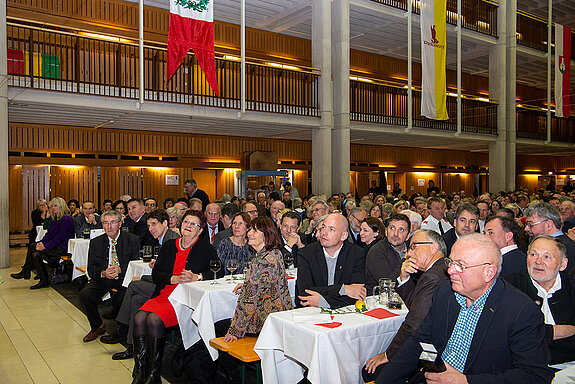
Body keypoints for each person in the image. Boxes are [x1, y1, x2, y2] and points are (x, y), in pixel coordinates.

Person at [375, 234, 554, 384]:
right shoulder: (445, 293)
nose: (450, 270)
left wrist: (466, 381)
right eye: (451, 262)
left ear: (488, 273)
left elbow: (535, 375)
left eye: (460, 265)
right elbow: (417, 342)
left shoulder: (520, 311)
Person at [131, 210, 223, 384]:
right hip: (164, 293)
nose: (188, 226)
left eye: (193, 224)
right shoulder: (169, 245)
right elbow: (157, 274)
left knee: (153, 320)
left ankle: (154, 373)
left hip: (184, 299)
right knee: (139, 317)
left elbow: (219, 270)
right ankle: (140, 369)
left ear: (200, 230)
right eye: (186, 222)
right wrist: (172, 278)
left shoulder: (204, 247)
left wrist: (198, 276)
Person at [363, 229, 449, 382]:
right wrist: (404, 278)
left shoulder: (433, 276)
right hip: (433, 344)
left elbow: (413, 325)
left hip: (429, 351)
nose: (409, 253)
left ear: (434, 247)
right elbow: (416, 306)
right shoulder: (440, 269)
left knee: (370, 371)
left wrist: (388, 354)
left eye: (414, 246)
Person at [100, 209, 180, 360]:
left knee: (133, 285)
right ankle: (134, 346)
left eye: (154, 225)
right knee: (137, 299)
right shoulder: (163, 240)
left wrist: (143, 277)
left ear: (165, 224)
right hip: (163, 283)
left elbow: (167, 276)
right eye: (149, 225)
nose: (150, 229)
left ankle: (121, 326)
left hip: (170, 289)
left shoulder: (171, 240)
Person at [505, 235, 575, 365]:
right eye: (533, 255)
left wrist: (537, 333)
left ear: (563, 264)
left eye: (546, 257)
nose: (538, 261)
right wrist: (554, 332)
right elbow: (511, 333)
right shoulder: (510, 286)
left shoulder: (571, 287)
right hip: (524, 366)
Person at [222, 216, 293, 341]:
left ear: (266, 235)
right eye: (250, 230)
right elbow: (267, 284)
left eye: (255, 231)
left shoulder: (261, 260)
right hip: (281, 318)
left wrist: (235, 331)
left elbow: (248, 301)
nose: (249, 233)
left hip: (265, 324)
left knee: (218, 328)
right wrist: (248, 285)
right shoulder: (275, 253)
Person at [78, 210, 140, 342]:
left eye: (112, 222)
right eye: (105, 223)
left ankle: (122, 331)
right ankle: (97, 326)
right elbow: (91, 268)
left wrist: (120, 269)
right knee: (85, 295)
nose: (109, 226)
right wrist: (103, 273)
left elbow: (136, 263)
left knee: (122, 298)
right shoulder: (96, 242)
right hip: (104, 278)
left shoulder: (132, 240)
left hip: (123, 278)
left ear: (120, 223)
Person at [296, 213, 366, 309]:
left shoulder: (356, 254)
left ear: (343, 236)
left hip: (345, 313)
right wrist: (343, 289)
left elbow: (357, 294)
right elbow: (305, 292)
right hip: (311, 312)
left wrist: (323, 302)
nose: (324, 233)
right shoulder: (306, 254)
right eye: (323, 228)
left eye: (331, 229)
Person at [15, 197, 75, 287]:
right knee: (35, 252)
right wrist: (41, 243)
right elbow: (49, 234)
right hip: (55, 246)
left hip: (62, 248)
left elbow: (59, 237)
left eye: (55, 206)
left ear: (61, 206)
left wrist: (45, 246)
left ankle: (27, 272)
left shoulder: (66, 219)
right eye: (52, 206)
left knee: (34, 250)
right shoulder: (54, 218)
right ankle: (42, 280)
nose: (53, 208)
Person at [524, 202, 575, 276]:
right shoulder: (565, 243)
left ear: (548, 224)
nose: (526, 229)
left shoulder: (565, 248)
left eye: (530, 225)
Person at [365, 213, 411, 291]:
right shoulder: (376, 251)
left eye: (401, 230)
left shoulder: (412, 250)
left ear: (408, 236)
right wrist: (405, 261)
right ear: (386, 232)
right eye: (392, 228)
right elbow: (386, 285)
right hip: (380, 299)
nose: (396, 234)